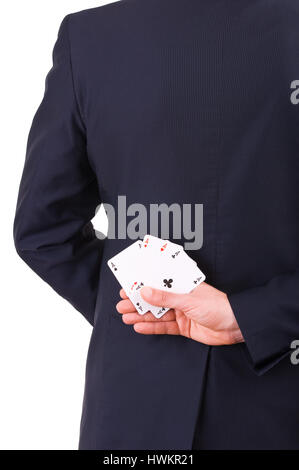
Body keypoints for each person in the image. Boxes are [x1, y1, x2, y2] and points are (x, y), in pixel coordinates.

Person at [14, 0, 299, 450]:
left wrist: (144, 306)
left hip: (135, 410)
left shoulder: (90, 38)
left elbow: (43, 231)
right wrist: (256, 317)